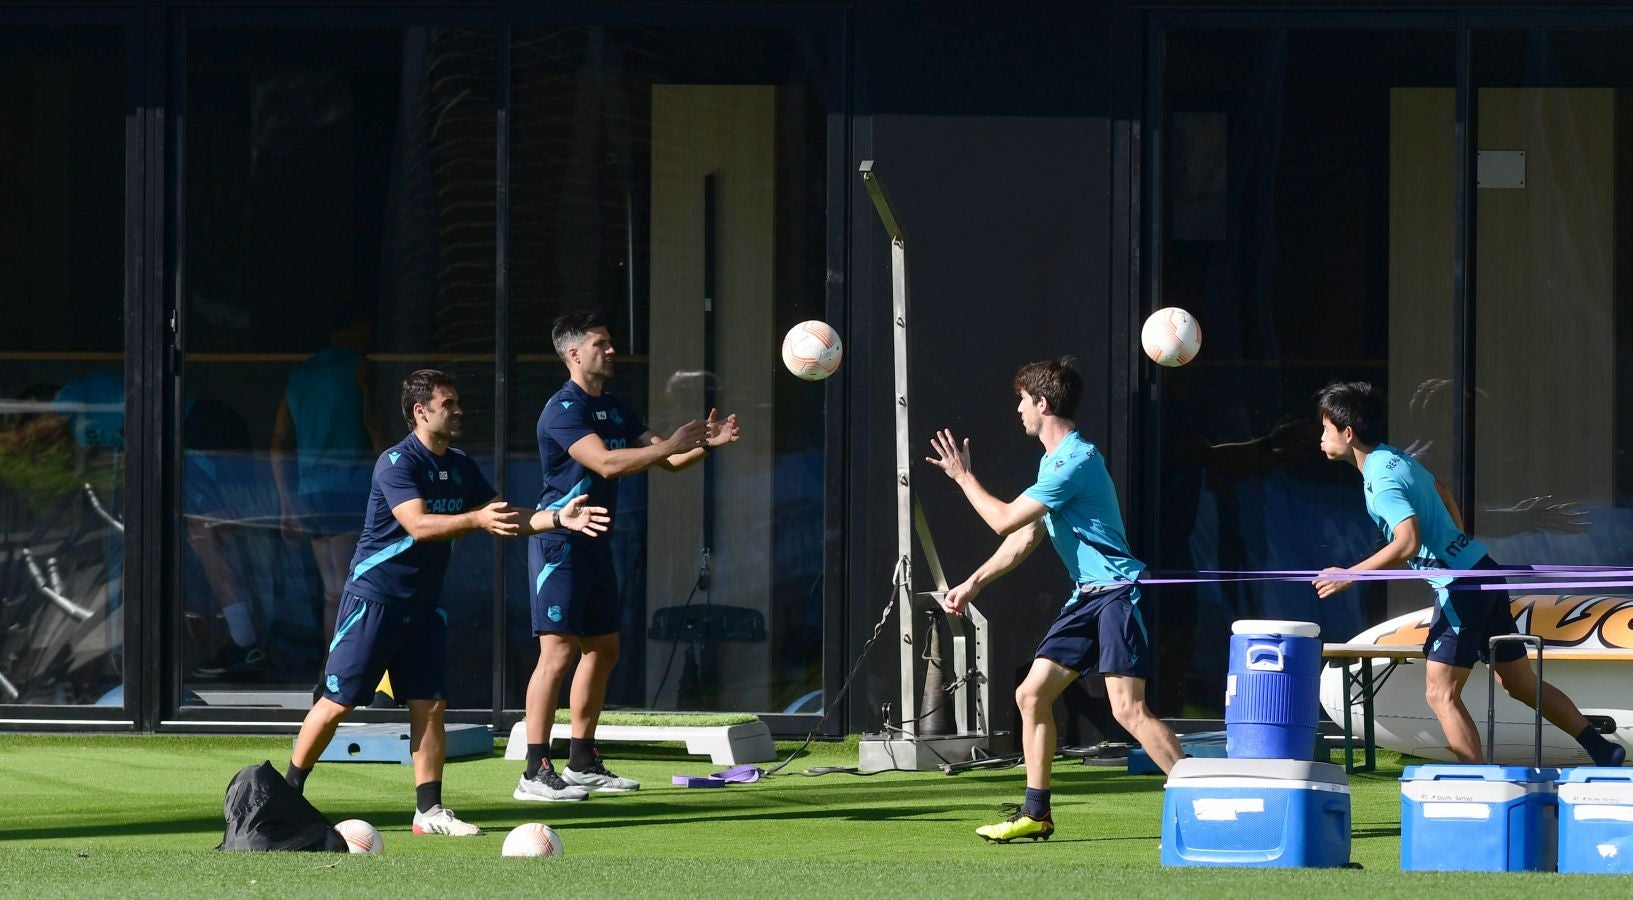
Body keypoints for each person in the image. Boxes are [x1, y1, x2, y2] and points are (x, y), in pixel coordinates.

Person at [286, 369, 608, 836]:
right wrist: (476, 520)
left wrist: (557, 518)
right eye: (448, 404)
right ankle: (289, 793)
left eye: (458, 402)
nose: (459, 411)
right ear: (421, 412)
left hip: (424, 607)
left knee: (430, 706)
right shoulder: (397, 462)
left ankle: (429, 811)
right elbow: (418, 525)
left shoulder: (459, 464)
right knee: (338, 703)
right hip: (375, 599)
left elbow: (502, 515)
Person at [926, 356, 1181, 843]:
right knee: (1031, 695)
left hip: (1118, 595)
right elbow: (1024, 536)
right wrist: (974, 582)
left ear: (1042, 403)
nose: (1018, 409)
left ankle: (1203, 795)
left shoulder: (1076, 461)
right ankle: (1036, 813)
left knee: (1127, 710)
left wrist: (962, 476)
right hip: (1087, 598)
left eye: (1023, 400)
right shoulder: (1053, 462)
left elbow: (1003, 520)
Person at [1313, 381, 1624, 766]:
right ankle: (1602, 749)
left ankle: (1478, 781)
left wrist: (1350, 575)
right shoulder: (1396, 458)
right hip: (1482, 571)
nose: (1321, 437)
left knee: (1440, 693)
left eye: (1325, 428)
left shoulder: (1380, 480)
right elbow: (1443, 490)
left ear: (1348, 433)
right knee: (1519, 683)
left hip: (1460, 587)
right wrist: (1459, 544)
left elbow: (1407, 541)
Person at [513, 311, 739, 803]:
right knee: (557, 653)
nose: (612, 350)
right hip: (560, 543)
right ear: (574, 354)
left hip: (596, 544)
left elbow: (670, 459)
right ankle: (533, 770)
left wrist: (706, 444)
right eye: (602, 343)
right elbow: (607, 463)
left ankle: (581, 761)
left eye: (611, 342)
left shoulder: (614, 407)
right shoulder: (562, 409)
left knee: (603, 648)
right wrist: (672, 444)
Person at [271, 312, 386, 646]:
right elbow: (374, 425)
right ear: (347, 330)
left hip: (310, 491)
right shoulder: (362, 368)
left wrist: (286, 503)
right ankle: (344, 667)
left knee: (332, 591)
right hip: (350, 488)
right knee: (353, 589)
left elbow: (278, 442)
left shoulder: (298, 376)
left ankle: (329, 665)